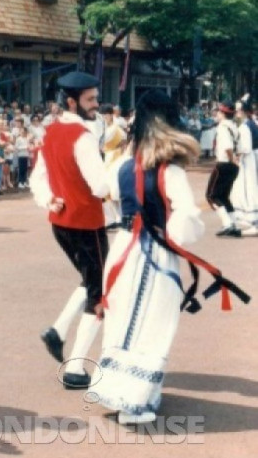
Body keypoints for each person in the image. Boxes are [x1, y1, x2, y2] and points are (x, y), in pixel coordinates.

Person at [92, 89, 248, 424]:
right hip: (155, 254)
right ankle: (136, 401)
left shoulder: (121, 164)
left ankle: (119, 391)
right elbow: (185, 221)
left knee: (122, 319)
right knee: (153, 323)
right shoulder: (170, 172)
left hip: (122, 247)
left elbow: (104, 192)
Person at [30, 71, 109, 389]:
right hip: (87, 224)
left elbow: (37, 177)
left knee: (91, 280)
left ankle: (58, 332)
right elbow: (101, 184)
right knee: (100, 293)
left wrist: (48, 199)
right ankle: (76, 368)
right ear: (72, 101)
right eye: (90, 99)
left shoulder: (51, 132)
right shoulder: (83, 136)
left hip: (60, 223)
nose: (96, 104)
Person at [205, 101, 241, 237]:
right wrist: (235, 161)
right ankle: (234, 224)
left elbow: (227, 147)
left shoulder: (223, 127)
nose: (217, 114)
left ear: (222, 113)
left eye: (218, 112)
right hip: (232, 166)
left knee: (211, 196)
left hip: (224, 163)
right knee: (224, 196)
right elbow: (240, 147)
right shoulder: (235, 126)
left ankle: (228, 224)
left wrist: (231, 158)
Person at [230, 101, 258, 235]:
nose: (237, 112)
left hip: (249, 159)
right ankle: (249, 217)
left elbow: (245, 147)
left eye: (239, 110)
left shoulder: (246, 126)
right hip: (253, 156)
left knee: (249, 187)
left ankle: (253, 218)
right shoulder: (251, 124)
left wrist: (236, 156)